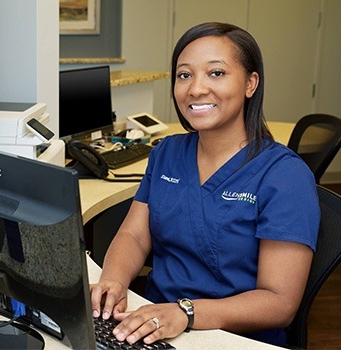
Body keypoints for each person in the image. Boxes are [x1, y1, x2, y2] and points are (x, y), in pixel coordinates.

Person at [90, 22, 320, 347]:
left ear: (250, 83)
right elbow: (135, 234)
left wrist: (185, 313)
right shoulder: (167, 153)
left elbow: (279, 302)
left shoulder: (285, 176)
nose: (196, 89)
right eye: (185, 75)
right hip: (154, 325)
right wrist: (112, 281)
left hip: (234, 338)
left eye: (216, 73)